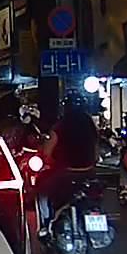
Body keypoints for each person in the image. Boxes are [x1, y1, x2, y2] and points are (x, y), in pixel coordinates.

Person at [37, 92, 99, 234]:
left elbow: (46, 154)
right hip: (89, 172)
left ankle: (47, 223)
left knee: (41, 189)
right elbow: (96, 151)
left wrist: (50, 162)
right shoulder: (90, 124)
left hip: (66, 173)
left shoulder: (59, 127)